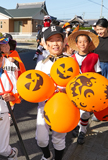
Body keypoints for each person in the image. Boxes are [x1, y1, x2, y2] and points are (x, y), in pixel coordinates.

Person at [35, 25, 67, 160]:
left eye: (58, 39)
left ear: (64, 42)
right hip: (44, 105)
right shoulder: (41, 64)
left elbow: (79, 85)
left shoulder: (71, 62)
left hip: (64, 106)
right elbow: (34, 85)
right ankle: (47, 156)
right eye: (51, 40)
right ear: (46, 44)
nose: (55, 43)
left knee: (59, 138)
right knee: (41, 139)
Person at [67, 30, 102, 144]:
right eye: (80, 42)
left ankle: (82, 130)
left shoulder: (95, 57)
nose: (82, 44)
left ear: (89, 43)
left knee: (85, 112)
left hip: (89, 90)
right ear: (76, 44)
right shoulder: (71, 58)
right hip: (74, 89)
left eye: (85, 42)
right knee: (75, 110)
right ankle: (78, 125)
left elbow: (98, 74)